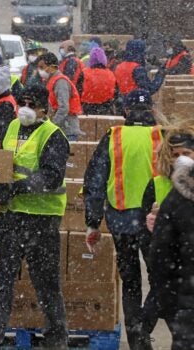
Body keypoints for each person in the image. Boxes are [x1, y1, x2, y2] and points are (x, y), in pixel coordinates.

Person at [0, 85, 70, 350]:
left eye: (32, 104)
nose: (25, 108)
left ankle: (57, 339)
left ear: (45, 108)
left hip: (41, 219)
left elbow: (52, 176)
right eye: (22, 102)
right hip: (11, 217)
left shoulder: (53, 135)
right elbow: (1, 164)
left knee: (46, 283)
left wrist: (15, 188)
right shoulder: (11, 128)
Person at [83, 89, 162, 350]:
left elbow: (94, 180)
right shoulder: (163, 136)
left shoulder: (113, 136)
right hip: (156, 221)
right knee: (163, 280)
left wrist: (93, 222)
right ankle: (143, 329)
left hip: (121, 219)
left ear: (125, 111)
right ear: (151, 110)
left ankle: (137, 335)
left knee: (130, 283)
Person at [138, 126, 194, 345]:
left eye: (186, 154)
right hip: (184, 295)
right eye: (176, 155)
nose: (181, 160)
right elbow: (159, 255)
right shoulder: (169, 194)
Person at [38, 52, 84, 140]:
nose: (40, 70)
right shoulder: (51, 80)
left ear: (51, 67)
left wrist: (52, 124)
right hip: (60, 129)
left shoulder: (60, 82)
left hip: (67, 130)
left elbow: (64, 108)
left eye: (42, 67)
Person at [79, 47, 118, 115]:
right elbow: (116, 93)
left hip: (87, 109)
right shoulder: (111, 74)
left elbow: (78, 91)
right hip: (106, 109)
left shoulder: (84, 73)